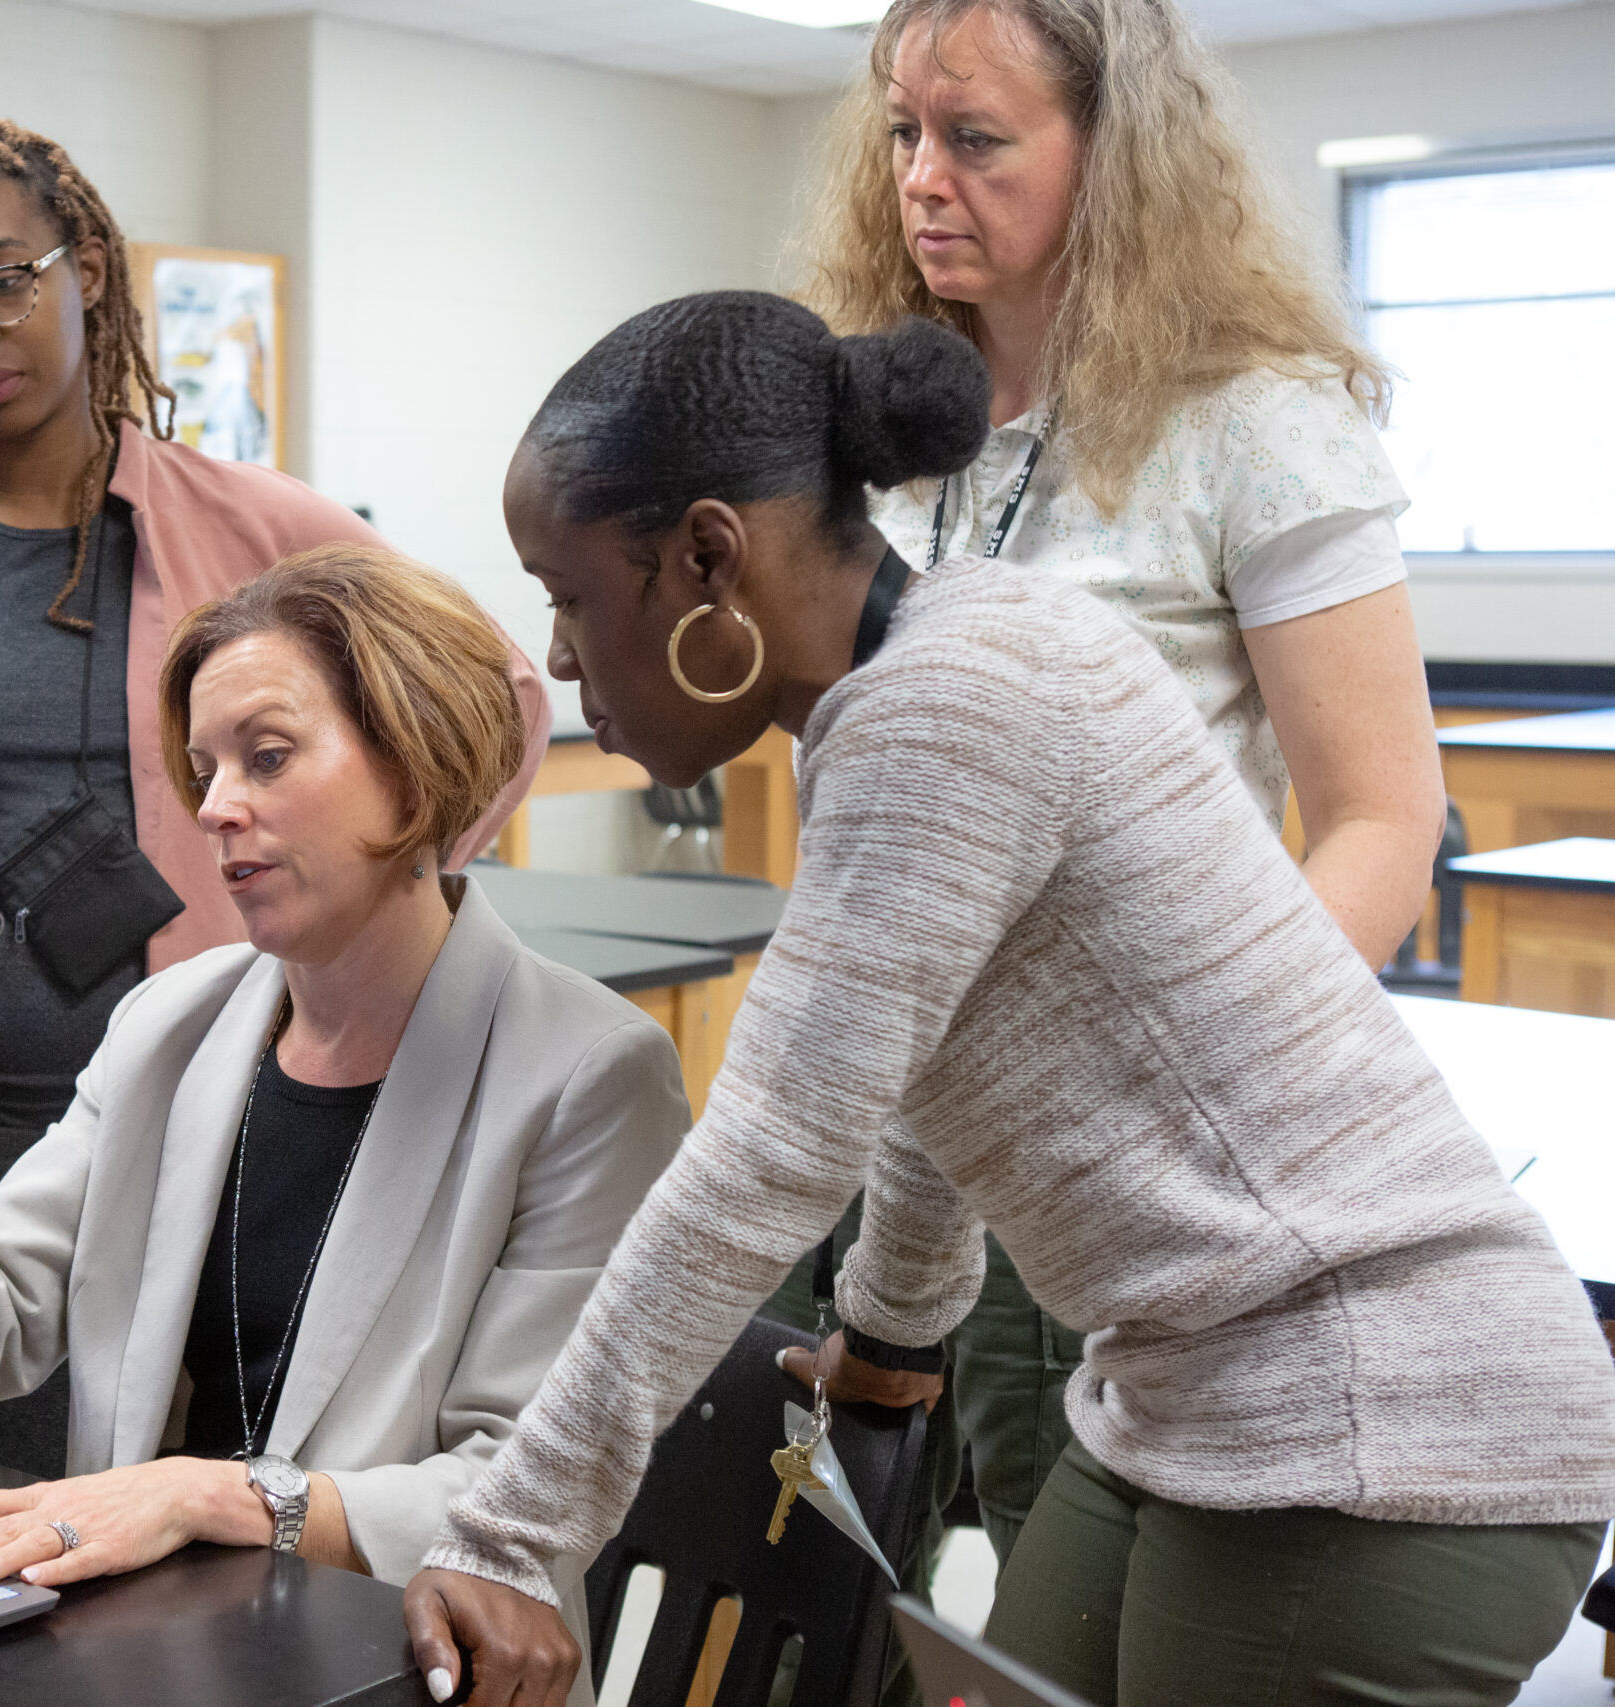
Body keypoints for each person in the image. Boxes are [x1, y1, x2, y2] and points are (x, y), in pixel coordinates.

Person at [401, 293, 1615, 1707]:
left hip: (1379, 1419)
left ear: (706, 558)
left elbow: (762, 1162)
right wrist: (892, 1333)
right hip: (1195, 1392)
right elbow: (932, 1051)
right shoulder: (947, 657)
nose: (556, 657)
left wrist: (516, 1531)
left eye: (568, 594)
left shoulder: (943, 705)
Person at [0, 117, 546, 1476]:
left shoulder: (253, 525)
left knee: (233, 1514)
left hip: (220, 1105)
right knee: (14, 1549)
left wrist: (377, 894)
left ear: (86, 271)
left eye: (6, 275)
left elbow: (499, 686)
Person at [0, 549, 685, 1701]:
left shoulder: (590, 1073)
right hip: (161, 1655)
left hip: (399, 1665)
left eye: (267, 756)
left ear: (417, 762)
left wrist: (207, 1494)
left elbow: (522, 1491)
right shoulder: (172, 1024)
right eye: (202, 768)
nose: (212, 807)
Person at [783, 0, 1449, 1564]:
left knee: (1046, 1581)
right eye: (903, 134)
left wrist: (1203, 1070)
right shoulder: (871, 427)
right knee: (820, 1576)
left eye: (977, 139)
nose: (923, 178)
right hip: (864, 1110)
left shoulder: (1257, 420)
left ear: (1116, 156)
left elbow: (1382, 816)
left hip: (1090, 1149)